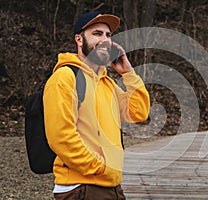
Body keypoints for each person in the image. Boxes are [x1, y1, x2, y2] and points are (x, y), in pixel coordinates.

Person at [43, 11, 150, 200]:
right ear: (79, 39)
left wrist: (129, 73)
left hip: (109, 185)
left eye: (108, 35)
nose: (105, 40)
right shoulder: (65, 77)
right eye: (97, 34)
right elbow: (61, 137)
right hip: (81, 187)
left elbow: (138, 113)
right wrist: (100, 168)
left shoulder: (105, 82)